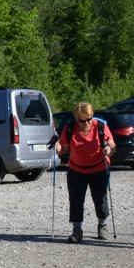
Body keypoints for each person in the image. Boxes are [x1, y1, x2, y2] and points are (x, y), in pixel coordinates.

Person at [53, 102, 115, 243]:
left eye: (89, 119)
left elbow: (112, 145)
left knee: (100, 198)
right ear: (76, 119)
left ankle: (102, 226)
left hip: (99, 169)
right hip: (76, 170)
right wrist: (57, 147)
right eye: (82, 120)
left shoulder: (100, 127)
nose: (86, 122)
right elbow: (63, 148)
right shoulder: (70, 129)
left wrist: (110, 150)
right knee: (76, 200)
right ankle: (77, 230)